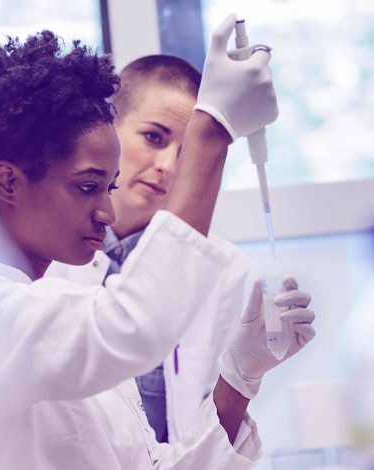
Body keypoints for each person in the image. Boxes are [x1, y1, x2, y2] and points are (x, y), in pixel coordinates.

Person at [0, 14, 315, 469]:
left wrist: (241, 376)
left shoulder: (60, 308)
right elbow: (127, 328)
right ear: (8, 182)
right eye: (87, 186)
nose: (106, 213)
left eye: (109, 189)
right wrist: (212, 131)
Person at [45, 54, 249, 445]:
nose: (168, 166)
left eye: (187, 151)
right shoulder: (47, 256)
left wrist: (246, 372)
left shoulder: (222, 268)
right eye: (154, 137)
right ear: (107, 128)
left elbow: (210, 432)